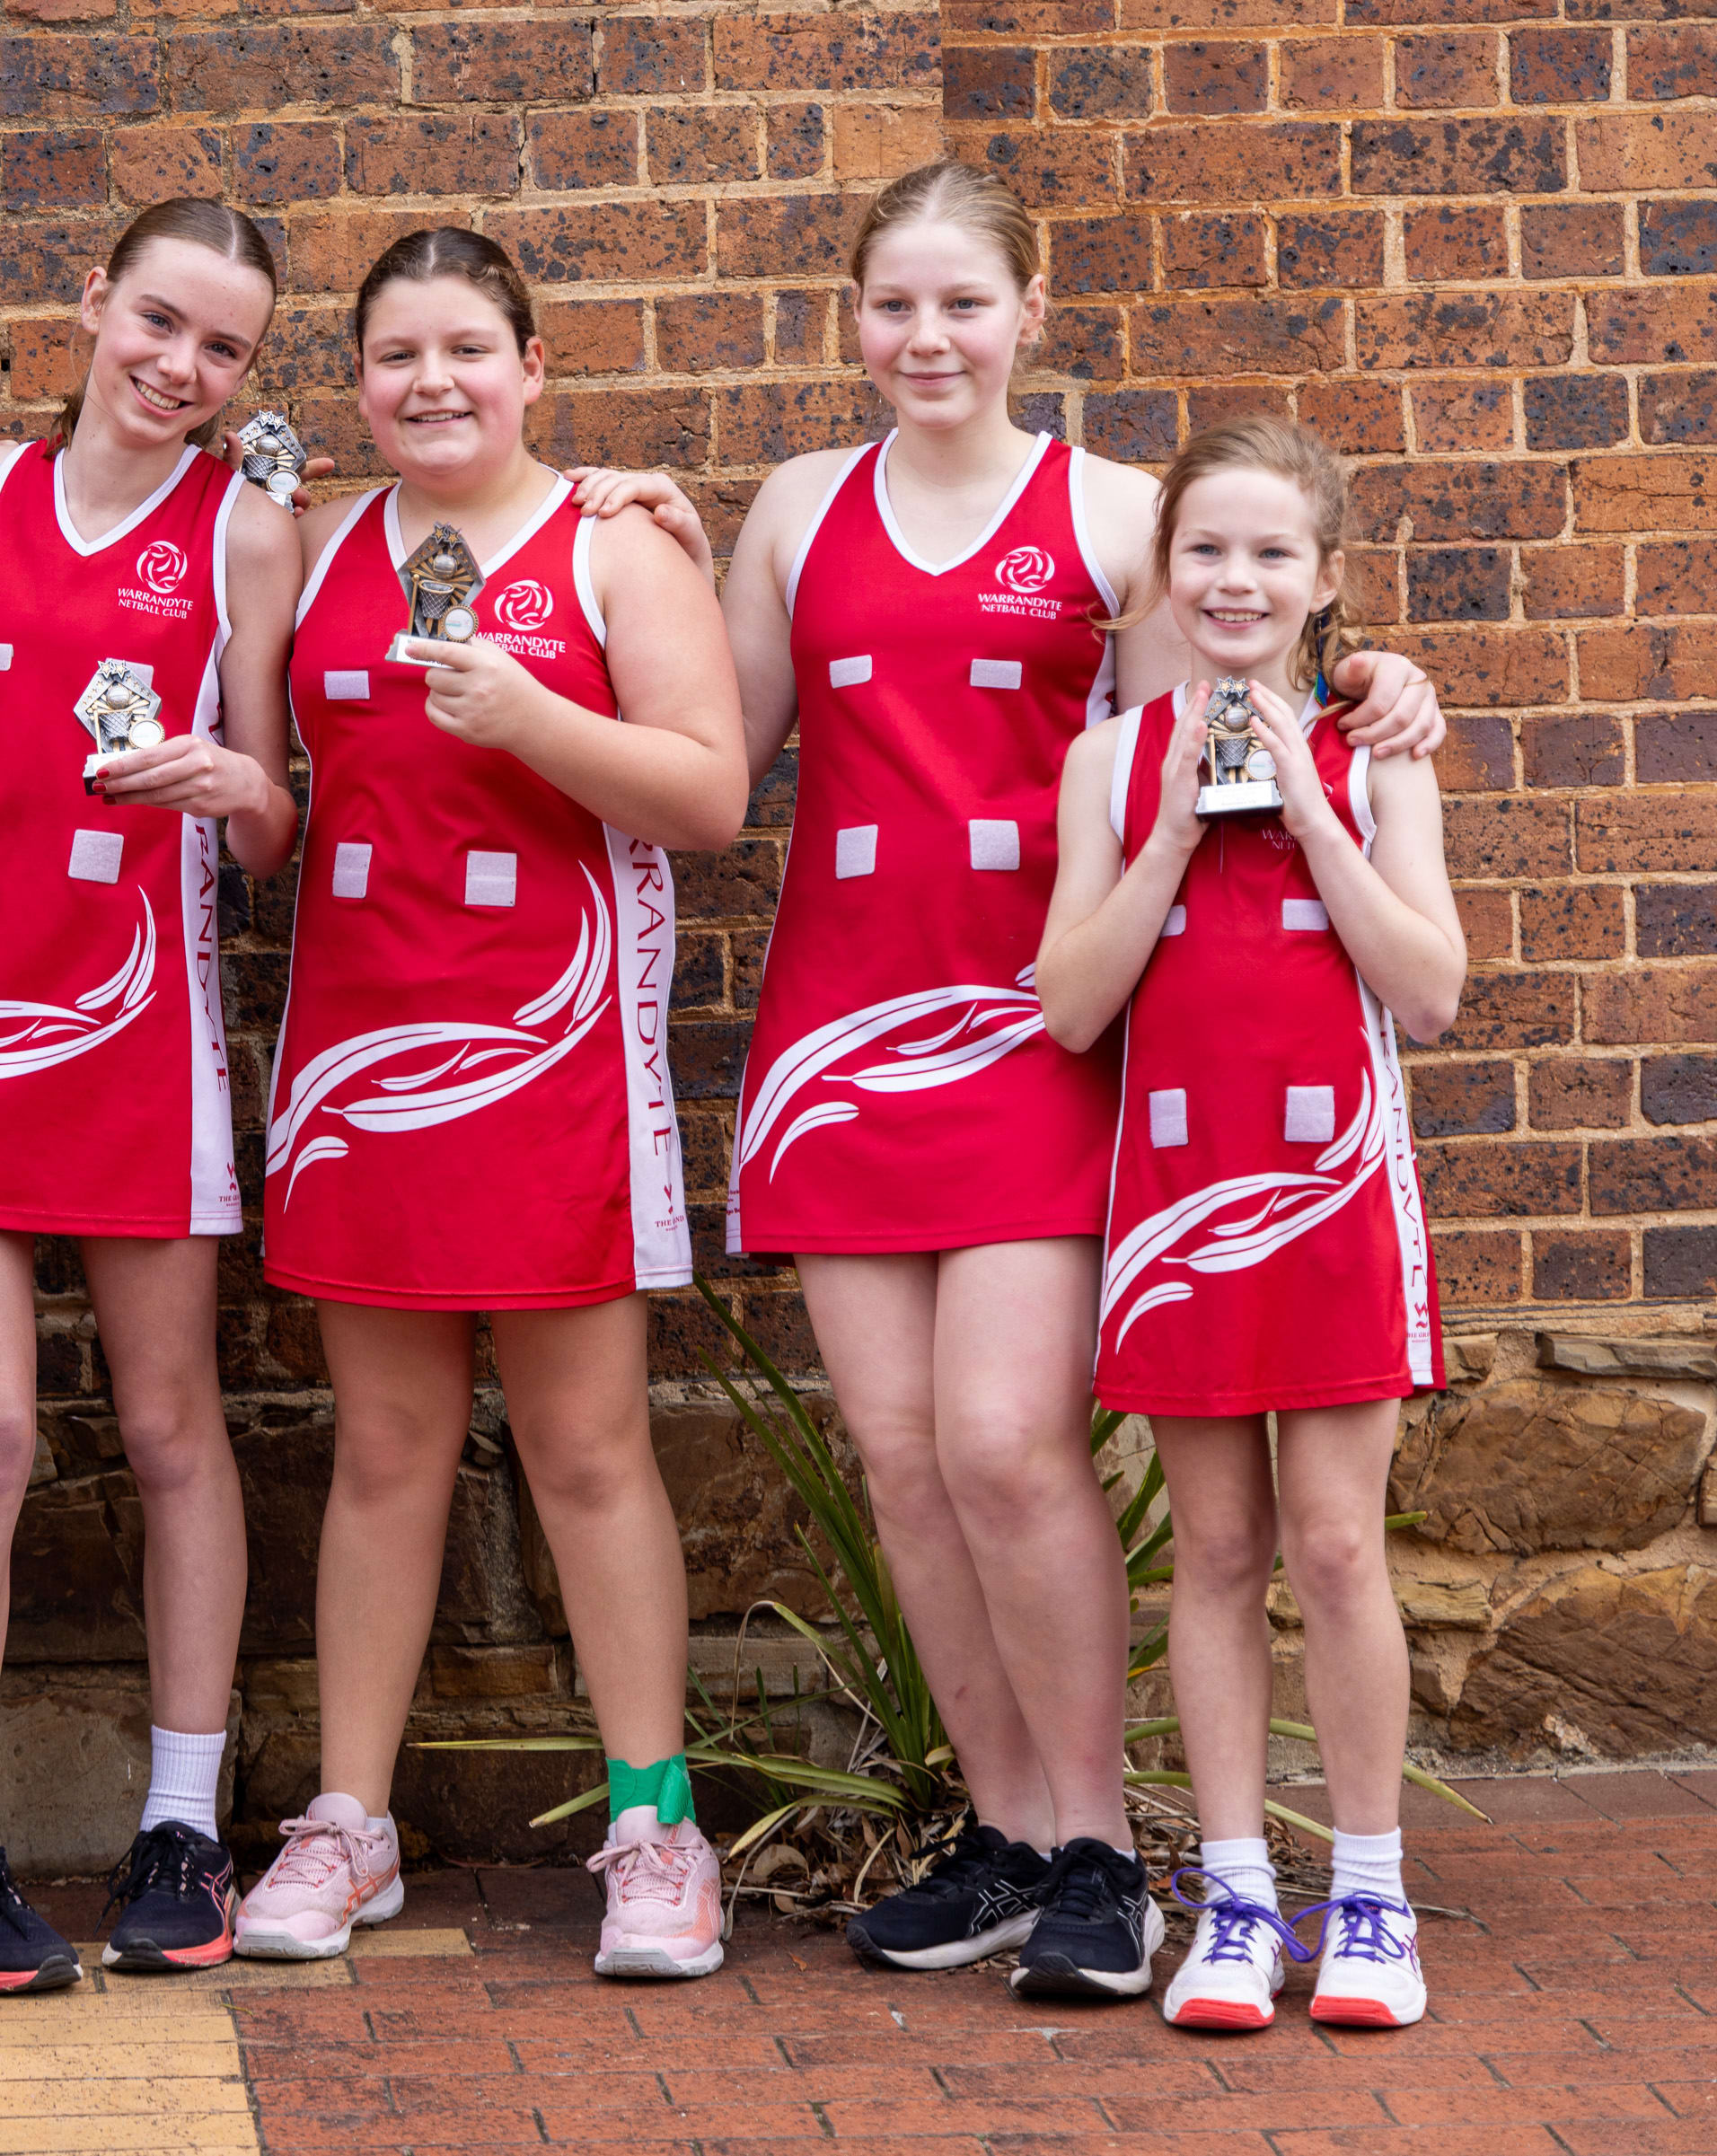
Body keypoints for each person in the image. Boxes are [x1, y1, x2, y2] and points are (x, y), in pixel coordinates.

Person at [644, 160, 1444, 2000]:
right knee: (906, 1459)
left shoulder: (1110, 512)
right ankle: (1006, 1838)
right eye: (893, 305)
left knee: (1006, 1442)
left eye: (963, 303)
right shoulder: (795, 507)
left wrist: (1375, 680)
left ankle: (1104, 1853)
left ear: (1028, 311)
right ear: (855, 317)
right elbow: (713, 765)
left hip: (1039, 1022)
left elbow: (1217, 721)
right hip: (841, 1038)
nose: (927, 338)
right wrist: (622, 561)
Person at [235, 227, 750, 1983]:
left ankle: (655, 1823)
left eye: (468, 348)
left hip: (555, 1050)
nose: (432, 381)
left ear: (534, 367)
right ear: (358, 383)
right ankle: (352, 1820)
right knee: (383, 1451)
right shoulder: (313, 544)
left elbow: (707, 793)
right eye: (396, 355)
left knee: (585, 1447)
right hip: (359, 1053)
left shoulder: (616, 546)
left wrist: (532, 716)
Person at [0, 198, 299, 1989]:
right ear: (93, 303)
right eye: (156, 320)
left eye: (223, 347)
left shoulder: (246, 528)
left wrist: (235, 783)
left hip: (138, 1019)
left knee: (171, 1428)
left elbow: (275, 823)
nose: (179, 365)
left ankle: (184, 1822)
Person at [1035, 417, 1458, 2033]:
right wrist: (1166, 832)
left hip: (1338, 1188)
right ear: (1164, 570)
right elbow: (1072, 1005)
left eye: (1273, 552)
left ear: (1324, 578)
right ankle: (1233, 1893)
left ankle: (1371, 1892)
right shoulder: (1106, 759)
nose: (1235, 578)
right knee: (1214, 1549)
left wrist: (1314, 810)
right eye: (1205, 548)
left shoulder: (1380, 747)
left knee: (1338, 1544)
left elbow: (1429, 989)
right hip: (1181, 1204)